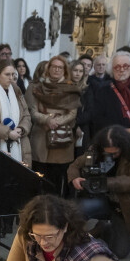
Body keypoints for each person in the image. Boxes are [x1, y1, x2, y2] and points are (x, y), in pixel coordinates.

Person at [69, 125, 130, 258]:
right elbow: (75, 165)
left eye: (115, 153)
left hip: (123, 207)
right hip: (101, 201)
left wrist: (104, 183)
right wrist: (74, 178)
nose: (112, 156)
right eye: (108, 153)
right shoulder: (95, 150)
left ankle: (104, 229)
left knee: (119, 253)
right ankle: (72, 241)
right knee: (76, 208)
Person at [27, 56, 83, 195]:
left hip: (61, 140)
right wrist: (47, 120)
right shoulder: (37, 87)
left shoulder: (71, 88)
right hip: (41, 139)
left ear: (64, 70)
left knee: (57, 183)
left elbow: (72, 113)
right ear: (48, 68)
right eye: (54, 67)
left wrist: (57, 121)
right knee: (39, 181)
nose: (56, 70)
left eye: (60, 67)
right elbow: (33, 111)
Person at [79, 51, 130, 140]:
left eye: (125, 66)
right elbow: (98, 117)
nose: (121, 70)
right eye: (117, 67)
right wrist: (119, 130)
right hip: (111, 137)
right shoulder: (103, 90)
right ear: (112, 70)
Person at [0, 61, 31, 166]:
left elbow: (26, 114)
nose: (11, 78)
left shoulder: (17, 91)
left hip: (20, 142)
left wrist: (21, 129)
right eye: (7, 74)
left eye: (13, 74)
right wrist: (8, 133)